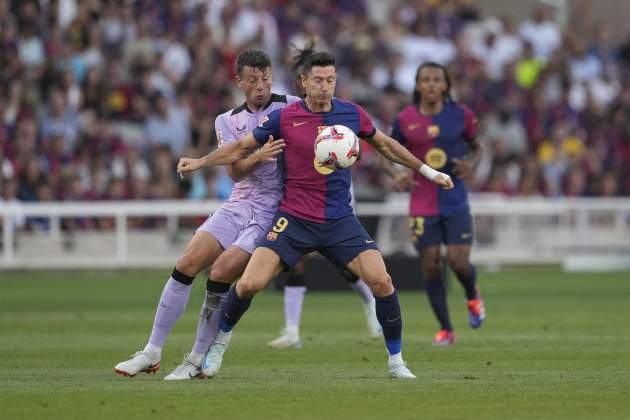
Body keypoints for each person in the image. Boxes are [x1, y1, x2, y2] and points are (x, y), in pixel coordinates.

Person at [177, 47, 453, 379]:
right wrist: (201, 162)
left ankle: (396, 362)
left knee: (382, 281)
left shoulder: (351, 114)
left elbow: (386, 145)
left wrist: (428, 171)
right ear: (303, 82)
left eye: (331, 80)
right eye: (319, 80)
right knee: (249, 284)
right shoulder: (284, 117)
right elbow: (240, 148)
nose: (325, 86)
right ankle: (219, 343)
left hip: (338, 220)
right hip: (293, 219)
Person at [113, 50, 300, 379]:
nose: (261, 85)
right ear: (239, 81)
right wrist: (256, 157)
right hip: (239, 202)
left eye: (266, 77)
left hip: (274, 208)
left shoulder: (292, 107)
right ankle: (151, 352)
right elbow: (236, 172)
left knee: (222, 271)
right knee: (187, 262)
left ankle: (196, 358)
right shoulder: (226, 120)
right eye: (252, 80)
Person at [389, 62, 486, 346]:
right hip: (421, 201)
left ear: (446, 85)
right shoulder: (405, 119)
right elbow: (386, 151)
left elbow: (478, 147)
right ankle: (446, 329)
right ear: (417, 86)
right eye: (425, 80)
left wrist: (471, 163)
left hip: (454, 199)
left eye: (436, 80)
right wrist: (397, 174)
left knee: (458, 262)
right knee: (431, 266)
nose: (431, 84)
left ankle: (472, 294)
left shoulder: (462, 115)